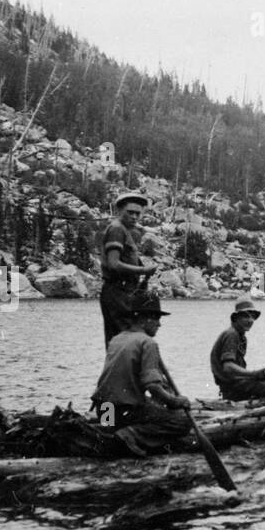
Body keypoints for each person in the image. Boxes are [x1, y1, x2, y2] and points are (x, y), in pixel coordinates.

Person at [92, 293, 194, 457]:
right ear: (144, 319)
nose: (159, 324)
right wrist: (174, 401)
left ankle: (115, 433)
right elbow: (152, 385)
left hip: (104, 409)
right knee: (182, 421)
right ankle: (130, 435)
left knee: (111, 428)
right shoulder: (148, 343)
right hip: (123, 410)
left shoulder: (117, 339)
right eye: (156, 318)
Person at [98, 191, 157, 348]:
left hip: (124, 292)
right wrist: (143, 271)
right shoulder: (117, 229)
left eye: (137, 214)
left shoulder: (125, 231)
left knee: (123, 340)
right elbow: (113, 263)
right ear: (119, 211)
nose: (134, 217)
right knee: (124, 340)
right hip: (117, 291)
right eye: (130, 212)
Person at [210, 299, 265, 401]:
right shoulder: (232, 334)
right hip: (233, 386)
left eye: (253, 317)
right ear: (236, 318)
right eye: (246, 316)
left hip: (233, 385)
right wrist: (254, 374)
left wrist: (257, 376)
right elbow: (228, 367)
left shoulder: (239, 336)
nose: (250, 320)